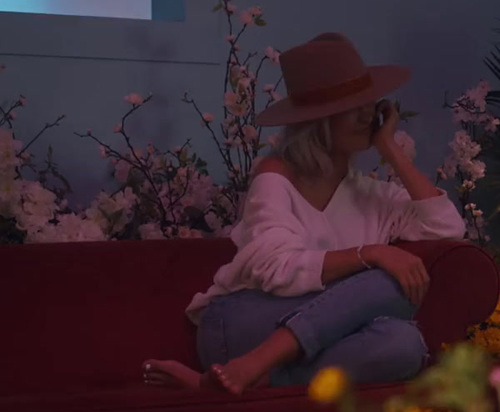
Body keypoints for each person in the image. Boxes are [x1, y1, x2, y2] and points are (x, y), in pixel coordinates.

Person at [143, 32, 466, 393]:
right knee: (388, 277)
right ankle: (253, 363)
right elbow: (276, 268)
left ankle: (250, 380)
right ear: (319, 120)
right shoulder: (275, 175)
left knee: (403, 344)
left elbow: (447, 227)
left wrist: (390, 148)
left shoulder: (372, 194)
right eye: (352, 107)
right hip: (240, 324)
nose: (367, 116)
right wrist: (371, 253)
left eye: (369, 104)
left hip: (318, 340)